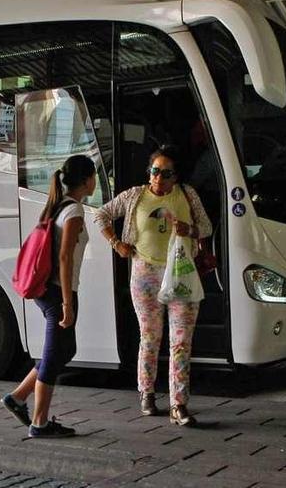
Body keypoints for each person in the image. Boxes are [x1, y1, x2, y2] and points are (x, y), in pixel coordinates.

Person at [94, 145, 212, 426]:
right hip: (145, 273)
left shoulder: (187, 195)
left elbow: (206, 227)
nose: (159, 178)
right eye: (155, 171)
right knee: (150, 337)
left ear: (175, 176)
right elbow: (101, 214)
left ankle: (179, 404)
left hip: (180, 272)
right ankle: (146, 393)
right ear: (149, 174)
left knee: (181, 342)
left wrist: (190, 229)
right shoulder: (135, 196)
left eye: (166, 173)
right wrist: (116, 243)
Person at [1, 155, 96, 438]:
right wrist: (68, 302)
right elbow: (65, 257)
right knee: (55, 355)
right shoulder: (74, 211)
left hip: (48, 290)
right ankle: (39, 423)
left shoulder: (58, 206)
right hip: (57, 292)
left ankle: (17, 398)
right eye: (93, 177)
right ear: (87, 179)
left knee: (65, 350)